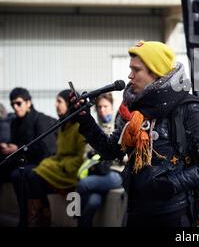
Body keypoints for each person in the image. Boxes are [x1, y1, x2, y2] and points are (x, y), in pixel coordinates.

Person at [71, 41, 199, 227]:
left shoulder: (188, 109)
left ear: (155, 72)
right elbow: (110, 151)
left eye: (136, 70)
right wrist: (85, 121)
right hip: (136, 210)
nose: (130, 76)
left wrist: (174, 183)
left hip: (174, 213)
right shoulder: (133, 109)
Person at [26, 89, 86, 227]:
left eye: (59, 101)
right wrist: (48, 163)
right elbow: (59, 155)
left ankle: (41, 219)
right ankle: (41, 216)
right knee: (31, 175)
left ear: (69, 104)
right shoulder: (63, 126)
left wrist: (61, 165)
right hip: (60, 169)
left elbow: (81, 158)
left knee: (34, 177)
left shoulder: (79, 126)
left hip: (70, 173)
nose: (55, 105)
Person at [0, 87, 56, 226]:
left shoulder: (40, 120)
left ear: (28, 102)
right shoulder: (15, 122)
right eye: (13, 104)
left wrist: (18, 148)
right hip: (22, 161)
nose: (16, 107)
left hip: (39, 162)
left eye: (18, 103)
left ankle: (28, 216)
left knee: (18, 175)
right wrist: (8, 147)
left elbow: (45, 150)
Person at [75, 92, 123, 227]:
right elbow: (86, 154)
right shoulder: (94, 127)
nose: (102, 110)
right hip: (97, 172)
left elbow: (124, 153)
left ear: (112, 107)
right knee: (93, 202)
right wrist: (93, 156)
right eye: (99, 107)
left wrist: (105, 154)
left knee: (82, 185)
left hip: (117, 172)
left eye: (105, 106)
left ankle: (76, 216)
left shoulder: (119, 125)